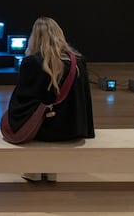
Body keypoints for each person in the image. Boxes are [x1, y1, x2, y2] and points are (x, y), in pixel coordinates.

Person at [7, 16, 95, 182]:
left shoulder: (31, 62)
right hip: (73, 128)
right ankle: (51, 169)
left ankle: (34, 170)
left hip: (44, 129)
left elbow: (21, 101)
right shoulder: (79, 62)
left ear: (34, 37)